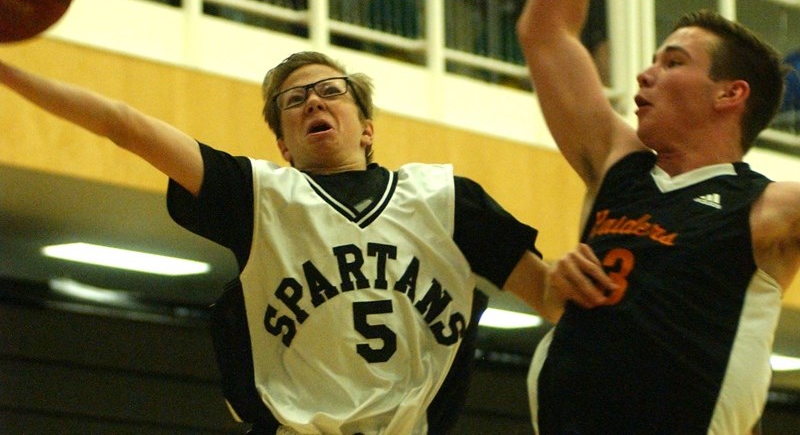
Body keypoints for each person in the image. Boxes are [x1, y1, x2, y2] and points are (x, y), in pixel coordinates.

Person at [0, 50, 608, 435]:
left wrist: (582, 275)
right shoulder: (258, 195)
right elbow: (122, 126)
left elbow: (552, 301)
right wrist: (9, 73)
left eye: (331, 90)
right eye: (294, 101)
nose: (314, 99)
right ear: (285, 146)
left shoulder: (446, 199)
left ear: (367, 129)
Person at [516, 0, 800, 434]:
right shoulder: (616, 166)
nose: (645, 74)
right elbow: (546, 31)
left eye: (673, 62)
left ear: (730, 93)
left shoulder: (771, 209)